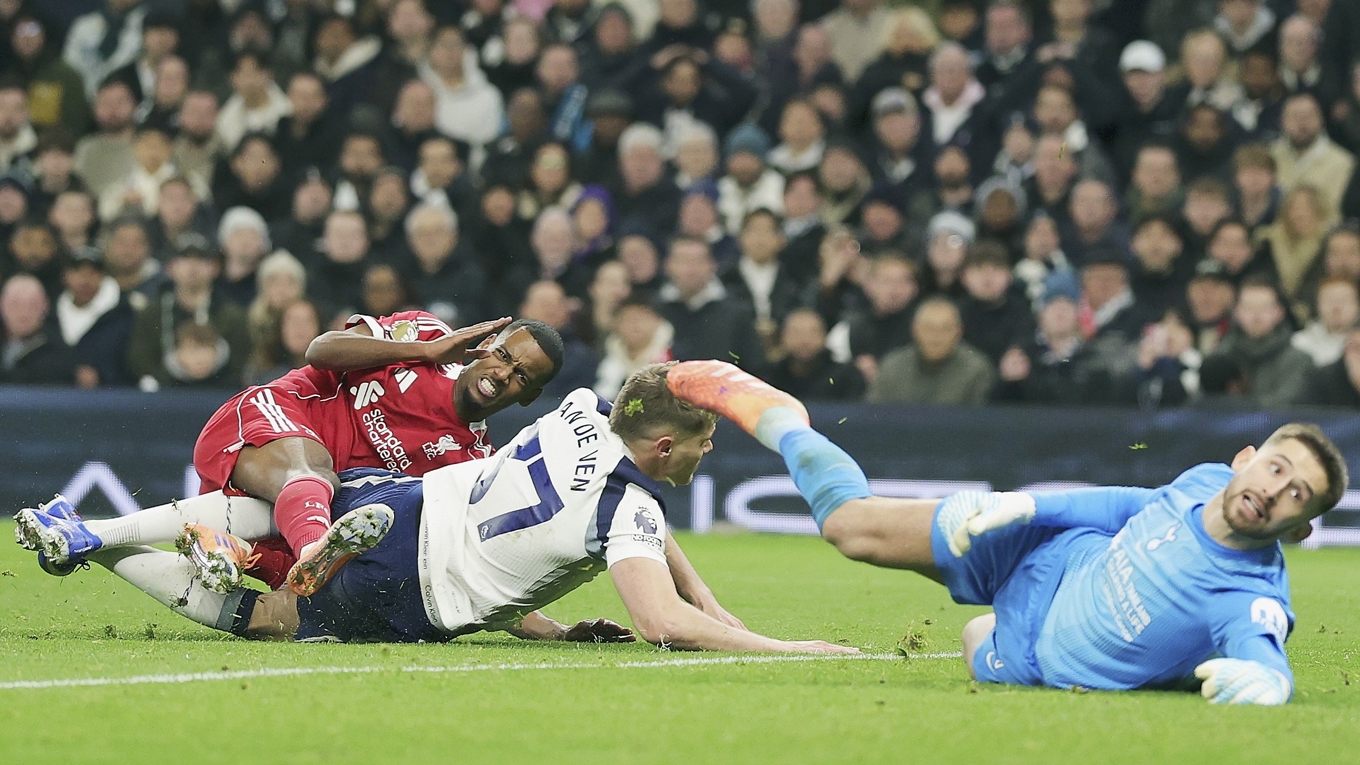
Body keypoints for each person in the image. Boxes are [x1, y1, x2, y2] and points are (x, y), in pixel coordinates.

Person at [18, 365, 854, 656]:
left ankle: (92, 526)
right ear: (664, 451)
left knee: (272, 513)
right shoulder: (625, 508)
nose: (710, 454)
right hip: (412, 589)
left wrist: (715, 600)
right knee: (270, 614)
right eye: (703, 444)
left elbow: (649, 423)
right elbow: (660, 623)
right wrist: (777, 641)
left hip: (412, 499)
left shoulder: (582, 409)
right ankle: (96, 548)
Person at [666, 359, 1348, 705]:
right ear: (1244, 460)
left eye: (1298, 493)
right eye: (1277, 466)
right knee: (853, 528)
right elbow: (1123, 507)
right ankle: (782, 416)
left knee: (974, 640)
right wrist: (1022, 506)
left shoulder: (1248, 595)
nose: (1276, 489)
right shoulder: (1203, 480)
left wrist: (1271, 682)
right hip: (1049, 552)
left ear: (1301, 524)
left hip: (1028, 654)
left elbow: (1262, 648)